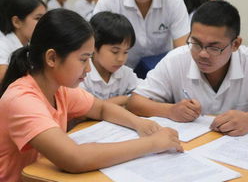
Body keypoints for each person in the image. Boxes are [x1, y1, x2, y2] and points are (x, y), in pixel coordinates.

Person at [0, 9, 183, 182]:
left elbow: (101, 108)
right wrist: (153, 144)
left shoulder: (59, 89)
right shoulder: (22, 100)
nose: (88, 68)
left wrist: (140, 123)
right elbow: (75, 158)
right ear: (52, 58)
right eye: (83, 59)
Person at [127, 0, 248, 137]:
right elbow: (134, 102)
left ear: (235, 44)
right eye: (196, 43)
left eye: (214, 47)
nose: (202, 54)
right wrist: (170, 110)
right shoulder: (176, 59)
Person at [80, 11, 140, 106]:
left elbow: (144, 95)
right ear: (94, 46)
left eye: (125, 52)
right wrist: (124, 99)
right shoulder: (82, 75)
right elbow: (84, 110)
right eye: (115, 51)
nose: (121, 59)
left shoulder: (126, 73)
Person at [0, 0, 46, 82]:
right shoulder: (2, 45)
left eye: (44, 19)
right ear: (17, 22)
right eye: (38, 18)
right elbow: (3, 79)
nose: (44, 24)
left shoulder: (32, 45)